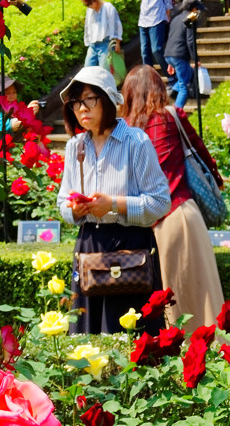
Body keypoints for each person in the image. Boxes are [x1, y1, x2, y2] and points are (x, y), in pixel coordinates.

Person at [56, 66, 171, 335]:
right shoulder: (75, 147)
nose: (81, 108)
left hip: (130, 248)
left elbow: (160, 202)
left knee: (133, 340)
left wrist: (115, 205)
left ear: (107, 99)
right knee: (87, 338)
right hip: (89, 246)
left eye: (88, 99)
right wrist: (74, 209)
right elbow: (62, 203)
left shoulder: (136, 142)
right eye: (75, 102)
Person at [122, 64, 224, 332]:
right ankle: (210, 363)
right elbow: (201, 154)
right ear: (159, 88)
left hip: (140, 223)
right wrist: (217, 181)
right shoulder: (171, 116)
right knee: (201, 304)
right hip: (180, 215)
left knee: (158, 310)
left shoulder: (125, 130)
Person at [132, 0, 173, 79]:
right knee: (145, 52)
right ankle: (148, 80)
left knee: (157, 49)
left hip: (158, 16)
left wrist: (167, 14)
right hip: (143, 19)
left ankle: (171, 76)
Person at [163, 0, 203, 109]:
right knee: (184, 86)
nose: (198, 12)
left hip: (169, 53)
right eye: (198, 9)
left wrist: (170, 62)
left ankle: (172, 90)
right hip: (179, 55)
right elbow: (190, 41)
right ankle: (177, 113)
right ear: (194, 8)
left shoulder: (176, 18)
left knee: (189, 74)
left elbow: (171, 37)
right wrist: (196, 60)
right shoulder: (190, 18)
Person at [80, 0, 123, 68]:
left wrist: (117, 43)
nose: (89, 6)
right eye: (86, 5)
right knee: (87, 69)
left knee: (104, 71)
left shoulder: (108, 7)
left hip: (105, 43)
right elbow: (87, 27)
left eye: (90, 4)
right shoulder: (89, 10)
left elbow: (116, 25)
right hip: (93, 45)